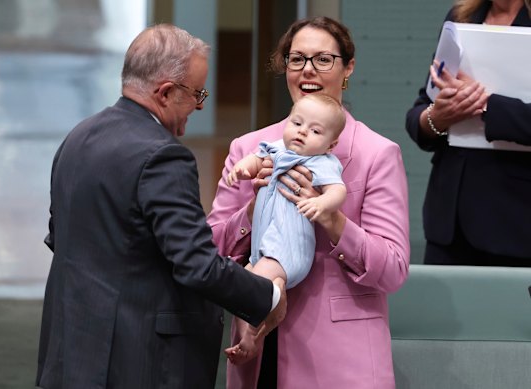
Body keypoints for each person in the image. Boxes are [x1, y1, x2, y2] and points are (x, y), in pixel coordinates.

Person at [36, 24, 287, 389]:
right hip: (138, 363)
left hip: (70, 354)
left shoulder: (78, 137)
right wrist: (268, 297)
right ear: (166, 92)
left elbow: (61, 238)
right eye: (197, 94)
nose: (199, 106)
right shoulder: (163, 156)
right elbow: (197, 265)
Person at [207, 16, 410, 389]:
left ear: (348, 68)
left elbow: (394, 269)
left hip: (340, 360)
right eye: (297, 59)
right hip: (260, 346)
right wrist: (252, 211)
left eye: (323, 59)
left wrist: (333, 220)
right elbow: (211, 248)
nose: (308, 71)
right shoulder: (249, 148)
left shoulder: (377, 153)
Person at [224, 94, 347, 365]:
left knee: (253, 287)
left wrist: (321, 202)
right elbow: (255, 160)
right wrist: (243, 169)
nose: (302, 132)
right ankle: (260, 316)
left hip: (287, 250)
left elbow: (338, 190)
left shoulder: (321, 163)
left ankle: (253, 336)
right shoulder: (276, 147)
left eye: (315, 130)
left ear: (331, 144)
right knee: (244, 281)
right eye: (297, 123)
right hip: (263, 249)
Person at [405, 0, 531, 266]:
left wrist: (485, 103)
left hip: (516, 225)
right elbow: (422, 108)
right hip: (449, 226)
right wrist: (435, 118)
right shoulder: (462, 16)